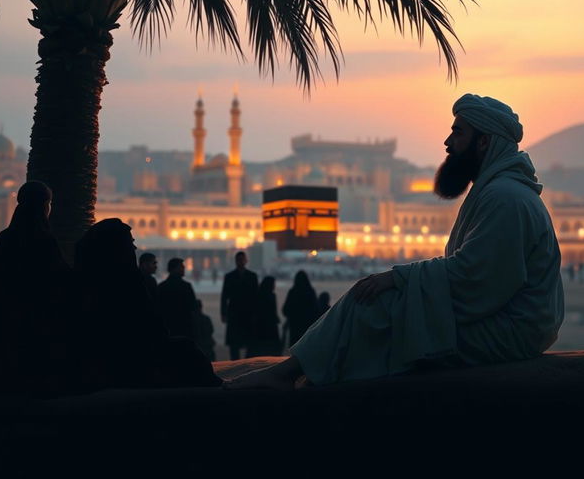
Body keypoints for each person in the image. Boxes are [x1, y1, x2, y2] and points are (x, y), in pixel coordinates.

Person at [227, 94, 565, 389]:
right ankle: (297, 372)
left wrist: (398, 277)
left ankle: (288, 375)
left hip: (512, 331)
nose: (448, 142)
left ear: (484, 142)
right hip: (503, 320)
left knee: (379, 310)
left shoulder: (505, 198)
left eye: (458, 132)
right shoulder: (496, 192)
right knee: (382, 307)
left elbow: (477, 280)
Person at [75, 219, 221, 389]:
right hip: (133, 356)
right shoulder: (127, 282)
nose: (134, 248)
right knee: (188, 350)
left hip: (119, 355)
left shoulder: (90, 280)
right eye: (130, 243)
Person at [0, 181, 75, 394]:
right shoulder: (44, 242)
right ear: (44, 206)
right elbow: (58, 283)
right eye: (48, 203)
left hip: (4, 329)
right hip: (38, 332)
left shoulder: (5, 238)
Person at [221, 251, 258, 359]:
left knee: (248, 342)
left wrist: (256, 313)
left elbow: (256, 297)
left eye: (242, 259)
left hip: (247, 313)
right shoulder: (230, 276)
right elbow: (224, 296)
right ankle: (236, 363)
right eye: (239, 259)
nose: (241, 261)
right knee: (235, 344)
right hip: (234, 313)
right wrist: (223, 313)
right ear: (236, 261)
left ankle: (245, 363)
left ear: (246, 261)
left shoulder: (252, 276)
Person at [157, 258, 199, 342]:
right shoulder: (186, 286)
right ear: (174, 268)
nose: (184, 269)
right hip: (185, 327)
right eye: (181, 267)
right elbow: (193, 307)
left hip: (168, 327)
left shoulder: (162, 286)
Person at [282, 270, 318, 346]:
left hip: (294, 324)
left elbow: (286, 309)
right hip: (307, 324)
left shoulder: (293, 292)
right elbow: (315, 309)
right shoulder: (310, 292)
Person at [249, 276, 281, 356]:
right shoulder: (272, 296)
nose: (274, 286)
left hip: (260, 325)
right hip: (271, 325)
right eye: (273, 284)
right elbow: (273, 311)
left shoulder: (258, 295)